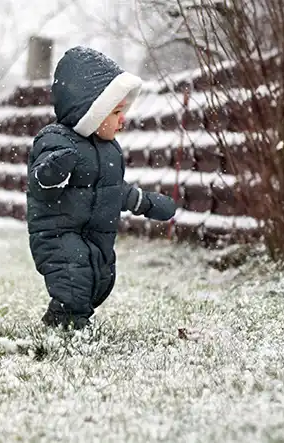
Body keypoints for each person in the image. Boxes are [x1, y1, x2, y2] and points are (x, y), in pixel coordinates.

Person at [26, 46, 178, 330]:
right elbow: (40, 185)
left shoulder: (109, 150)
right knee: (74, 275)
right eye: (117, 111)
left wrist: (145, 202)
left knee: (100, 277)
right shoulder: (55, 140)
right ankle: (70, 326)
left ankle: (64, 318)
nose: (123, 119)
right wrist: (54, 170)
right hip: (58, 232)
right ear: (90, 112)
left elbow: (113, 190)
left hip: (95, 232)